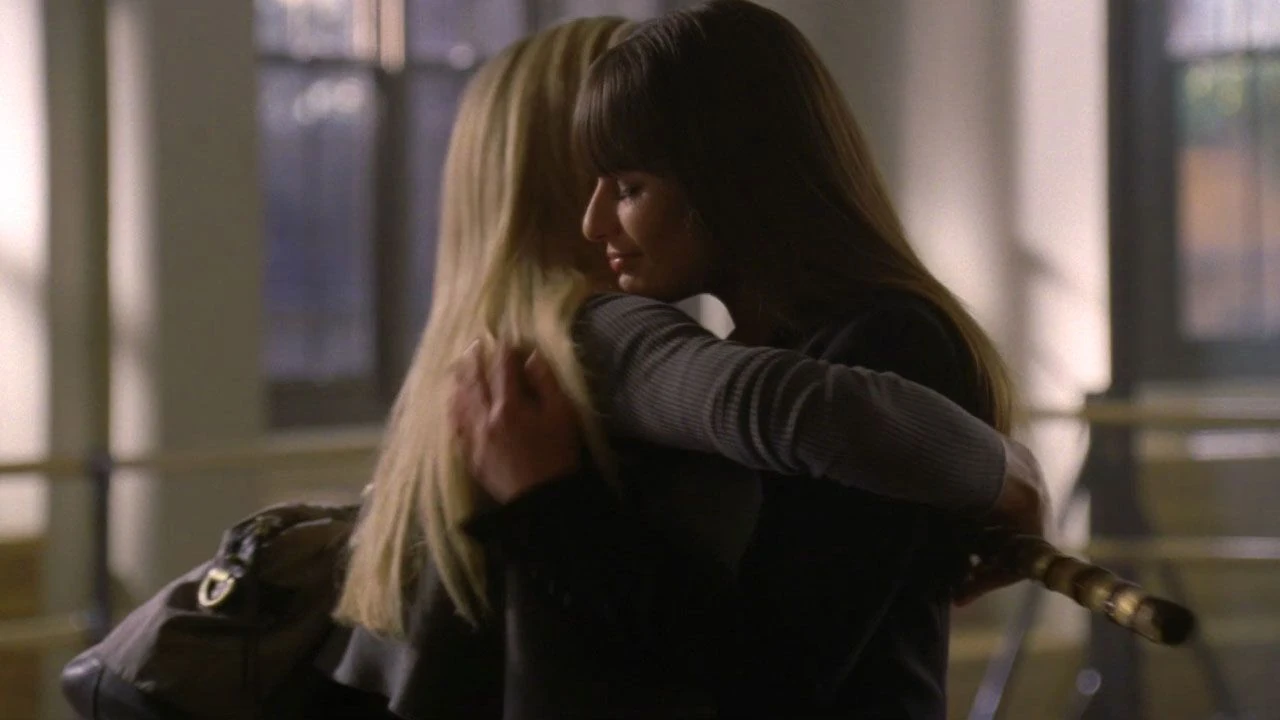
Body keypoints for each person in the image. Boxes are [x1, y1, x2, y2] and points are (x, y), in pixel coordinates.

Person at [317, 11, 1047, 719]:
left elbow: (771, 676)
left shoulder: (886, 339)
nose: (594, 221)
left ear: (725, 179)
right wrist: (1003, 470)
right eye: (592, 183)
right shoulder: (738, 344)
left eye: (628, 187)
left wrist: (551, 504)